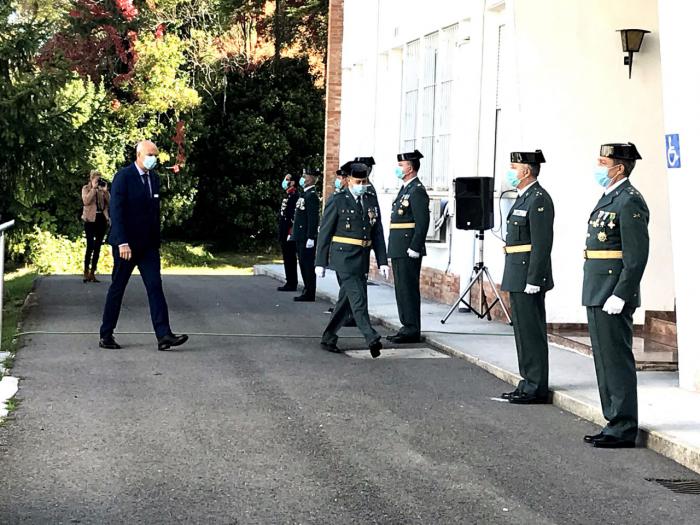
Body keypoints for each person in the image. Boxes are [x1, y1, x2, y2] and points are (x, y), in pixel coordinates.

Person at [582, 142, 649, 449]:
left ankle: (624, 426)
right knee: (604, 360)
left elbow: (636, 256)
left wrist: (621, 293)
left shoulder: (629, 201)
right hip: (597, 290)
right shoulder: (609, 197)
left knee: (617, 360)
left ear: (618, 167)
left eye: (602, 162)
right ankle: (613, 421)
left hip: (612, 293)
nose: (598, 167)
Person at [99, 140, 188, 351]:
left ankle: (164, 334)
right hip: (126, 246)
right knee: (118, 288)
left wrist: (156, 242)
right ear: (139, 155)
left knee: (155, 286)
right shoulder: (124, 177)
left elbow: (153, 213)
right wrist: (122, 242)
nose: (154, 159)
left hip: (148, 246)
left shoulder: (153, 179)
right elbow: (116, 211)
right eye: (150, 154)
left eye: (156, 155)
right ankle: (106, 334)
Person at [315, 163, 390, 357]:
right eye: (358, 181)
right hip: (344, 257)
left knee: (346, 300)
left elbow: (377, 232)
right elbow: (325, 232)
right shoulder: (338, 200)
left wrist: (382, 260)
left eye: (364, 181)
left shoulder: (371, 199)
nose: (362, 185)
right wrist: (320, 262)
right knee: (358, 298)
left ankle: (329, 336)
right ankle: (370, 336)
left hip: (362, 257)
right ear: (348, 180)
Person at [499, 150, 555, 405]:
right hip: (516, 272)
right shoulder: (523, 198)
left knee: (532, 332)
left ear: (525, 171)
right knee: (522, 331)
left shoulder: (539, 199)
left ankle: (536, 386)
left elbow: (542, 244)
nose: (511, 172)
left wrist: (535, 278)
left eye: (514, 167)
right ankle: (527, 381)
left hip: (528, 276)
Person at [386, 150, 430, 344]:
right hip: (398, 247)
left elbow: (422, 222)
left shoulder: (417, 190)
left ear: (410, 168)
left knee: (408, 289)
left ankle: (412, 329)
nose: (398, 168)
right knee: (401, 289)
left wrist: (415, 246)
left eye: (401, 165)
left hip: (408, 248)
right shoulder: (405, 189)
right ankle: (406, 326)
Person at [291, 169, 320, 302]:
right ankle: (307, 290)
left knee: (307, 265)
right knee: (302, 263)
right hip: (300, 235)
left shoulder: (312, 195)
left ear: (311, 178)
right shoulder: (305, 194)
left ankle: (309, 292)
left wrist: (310, 236)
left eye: (305, 176)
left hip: (306, 237)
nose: (303, 178)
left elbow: (312, 218)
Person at [81, 170, 111, 283]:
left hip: (101, 219)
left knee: (98, 246)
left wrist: (105, 191)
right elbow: (86, 201)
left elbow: (109, 203)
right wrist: (93, 188)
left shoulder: (101, 190)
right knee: (90, 246)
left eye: (99, 179)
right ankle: (86, 271)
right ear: (91, 179)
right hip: (89, 220)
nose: (98, 181)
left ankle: (93, 272)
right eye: (96, 179)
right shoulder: (86, 188)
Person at [277, 173, 300, 292]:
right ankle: (289, 281)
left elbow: (292, 217)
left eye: (287, 179)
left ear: (293, 182)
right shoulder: (288, 195)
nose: (285, 181)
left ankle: (292, 282)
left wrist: (290, 233)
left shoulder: (294, 196)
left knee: (290, 258)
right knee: (287, 257)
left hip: (289, 233)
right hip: (284, 231)